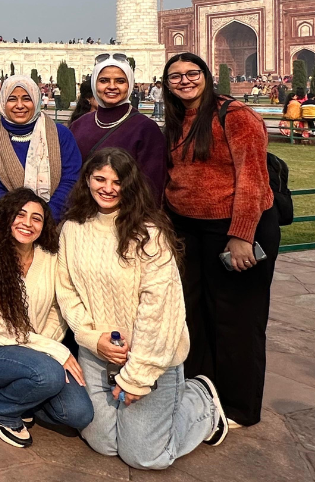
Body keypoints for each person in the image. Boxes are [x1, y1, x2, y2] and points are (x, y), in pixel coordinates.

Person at [56, 147, 227, 469]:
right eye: (100, 178)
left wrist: (138, 376)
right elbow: (66, 291)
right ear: (87, 181)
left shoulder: (149, 234)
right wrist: (91, 338)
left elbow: (161, 311)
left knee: (146, 457)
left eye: (117, 181)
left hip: (150, 356)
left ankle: (200, 400)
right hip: (98, 355)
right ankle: (144, 417)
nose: (107, 188)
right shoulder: (72, 229)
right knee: (104, 444)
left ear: (130, 185)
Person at [161, 52, 275, 428]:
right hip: (188, 229)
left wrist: (241, 235)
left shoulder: (235, 115)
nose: (184, 81)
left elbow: (253, 179)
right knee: (195, 314)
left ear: (207, 76)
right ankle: (200, 392)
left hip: (234, 228)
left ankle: (239, 407)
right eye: (175, 76)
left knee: (236, 319)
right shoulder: (178, 118)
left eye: (192, 73)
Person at [0, 190, 94, 448]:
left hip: (37, 353)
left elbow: (57, 311)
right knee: (48, 374)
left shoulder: (50, 258)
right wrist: (53, 353)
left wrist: (43, 351)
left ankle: (24, 396)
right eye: (20, 214)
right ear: (7, 217)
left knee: (79, 414)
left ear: (44, 225)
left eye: (36, 218)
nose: (28, 223)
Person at [69, 55, 168, 204]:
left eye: (120, 81)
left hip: (127, 218)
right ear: (95, 84)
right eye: (104, 81)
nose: (112, 86)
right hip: (83, 215)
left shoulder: (145, 129)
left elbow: (151, 186)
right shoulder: (80, 125)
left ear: (129, 85)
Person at [0, 76, 81, 217]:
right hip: (8, 220)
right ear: (2, 102)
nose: (20, 105)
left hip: (57, 219)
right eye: (12, 99)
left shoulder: (60, 135)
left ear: (36, 100)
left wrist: (47, 216)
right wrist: (18, 217)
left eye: (27, 99)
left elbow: (70, 179)